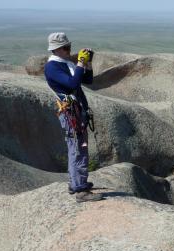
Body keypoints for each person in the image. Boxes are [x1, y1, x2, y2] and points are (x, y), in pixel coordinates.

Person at [44, 32, 102, 202]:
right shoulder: (52, 67)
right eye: (65, 47)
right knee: (78, 148)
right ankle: (80, 190)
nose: (69, 49)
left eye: (69, 46)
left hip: (77, 111)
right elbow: (72, 84)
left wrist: (88, 63)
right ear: (56, 49)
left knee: (77, 147)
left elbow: (88, 80)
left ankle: (75, 183)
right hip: (71, 114)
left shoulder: (64, 63)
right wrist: (80, 63)